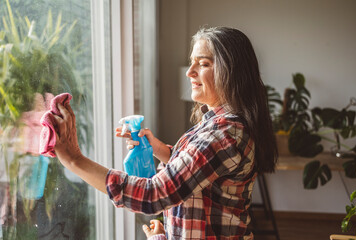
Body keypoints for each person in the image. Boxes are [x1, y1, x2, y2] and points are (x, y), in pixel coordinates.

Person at [53, 26, 278, 240]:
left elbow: (154, 195)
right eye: (192, 63)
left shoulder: (226, 134)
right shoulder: (218, 126)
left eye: (204, 64)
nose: (190, 72)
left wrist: (74, 160)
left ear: (231, 72)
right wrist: (157, 149)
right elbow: (203, 174)